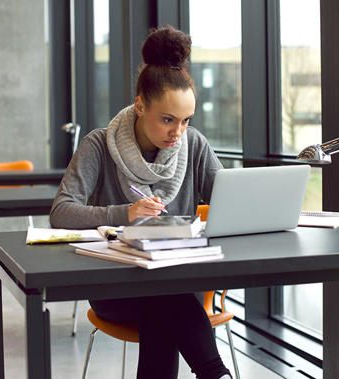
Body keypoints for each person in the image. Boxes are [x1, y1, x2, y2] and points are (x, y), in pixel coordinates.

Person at [50, 25, 232, 379]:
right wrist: (126, 213)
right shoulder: (98, 145)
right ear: (140, 106)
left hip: (177, 283)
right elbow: (61, 212)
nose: (177, 132)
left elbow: (230, 202)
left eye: (185, 121)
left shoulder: (193, 145)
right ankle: (215, 373)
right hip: (116, 288)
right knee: (163, 297)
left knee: (163, 297)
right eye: (167, 120)